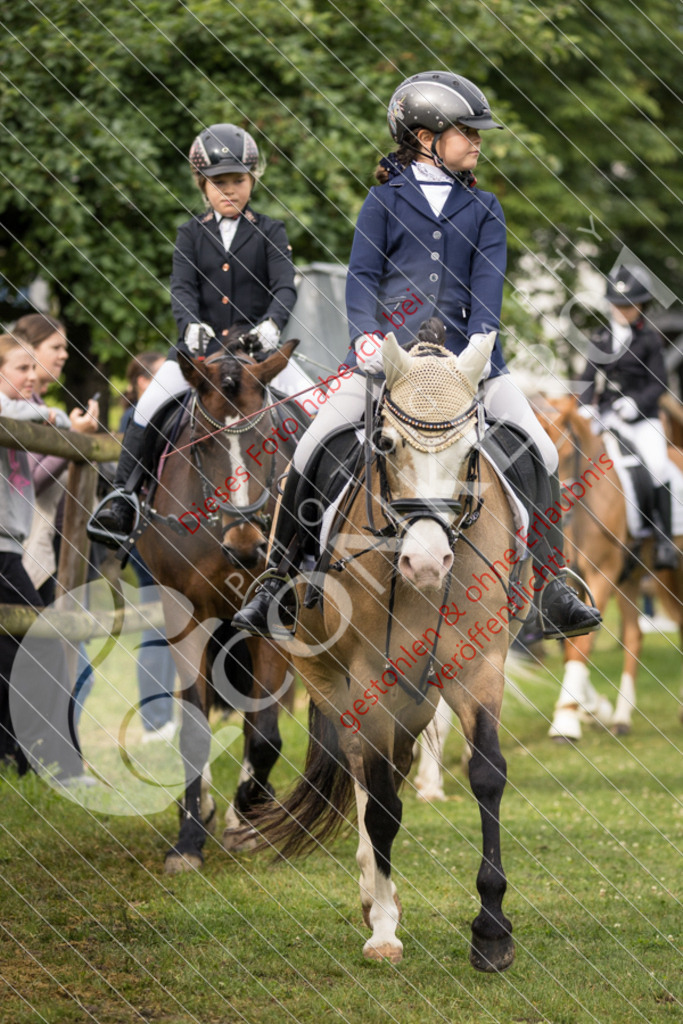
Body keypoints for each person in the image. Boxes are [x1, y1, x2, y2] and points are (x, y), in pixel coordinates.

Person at [234, 71, 602, 641]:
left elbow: (488, 288)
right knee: (311, 447)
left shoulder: (485, 207)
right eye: (466, 132)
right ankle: (278, 580)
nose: (478, 142)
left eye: (478, 134)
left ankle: (553, 586)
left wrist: (478, 347)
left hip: (469, 364)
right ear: (426, 136)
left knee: (543, 453)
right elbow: (362, 278)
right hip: (393, 363)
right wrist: (366, 337)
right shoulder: (383, 201)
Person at [91, 123, 298, 540]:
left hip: (256, 355)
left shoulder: (271, 230)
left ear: (252, 180)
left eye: (237, 181)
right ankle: (123, 499)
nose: (229, 191)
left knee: (314, 409)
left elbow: (285, 286)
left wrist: (273, 325)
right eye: (218, 183)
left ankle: (319, 508)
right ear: (202, 184)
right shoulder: (191, 233)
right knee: (147, 409)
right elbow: (182, 288)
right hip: (201, 354)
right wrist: (190, 328)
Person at [0, 334, 87, 783]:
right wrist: (55, 416)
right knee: (44, 644)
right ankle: (59, 762)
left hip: (9, 544)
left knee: (14, 650)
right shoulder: (12, 410)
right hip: (2, 549)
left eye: (35, 369)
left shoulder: (20, 415)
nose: (32, 378)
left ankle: (16, 754)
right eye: (21, 368)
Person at [577, 264, 678, 570]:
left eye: (628, 305)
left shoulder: (650, 340)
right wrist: (586, 406)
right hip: (607, 418)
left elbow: (659, 383)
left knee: (659, 466)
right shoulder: (600, 338)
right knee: (578, 460)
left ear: (640, 306)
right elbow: (585, 378)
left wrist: (635, 403)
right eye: (617, 305)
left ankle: (661, 539)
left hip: (642, 418)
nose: (621, 311)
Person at [12, 313, 99, 602]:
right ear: (30, 348)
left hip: (59, 546)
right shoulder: (16, 408)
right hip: (28, 547)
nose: (64, 355)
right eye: (56, 347)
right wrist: (73, 437)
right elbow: (30, 481)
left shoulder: (39, 407)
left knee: (65, 638)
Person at [121, 352, 178, 742]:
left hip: (162, 532)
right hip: (147, 533)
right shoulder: (138, 420)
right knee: (157, 625)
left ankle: (161, 716)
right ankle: (155, 721)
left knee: (167, 624)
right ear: (141, 383)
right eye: (156, 378)